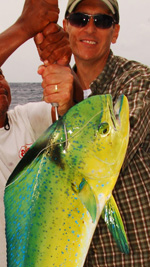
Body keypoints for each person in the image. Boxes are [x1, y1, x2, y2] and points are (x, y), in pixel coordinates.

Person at [35, 0, 150, 266]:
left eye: (102, 21)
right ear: (67, 27)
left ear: (115, 32)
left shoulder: (138, 80)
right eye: (80, 19)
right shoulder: (51, 104)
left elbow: (109, 147)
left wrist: (71, 103)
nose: (90, 28)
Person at [0, 1, 76, 266]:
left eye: (0, 75)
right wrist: (25, 26)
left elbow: (71, 113)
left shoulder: (26, 118)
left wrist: (63, 67)